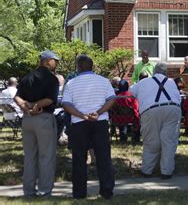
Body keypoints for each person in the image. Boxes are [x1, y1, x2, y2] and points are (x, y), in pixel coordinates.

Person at [62, 55, 116, 199]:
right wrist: (98, 112)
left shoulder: (71, 83)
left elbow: (66, 104)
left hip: (79, 124)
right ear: (92, 67)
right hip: (100, 122)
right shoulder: (104, 81)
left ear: (78, 67)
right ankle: (106, 191)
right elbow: (112, 99)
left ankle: (79, 193)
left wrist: (81, 115)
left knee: (79, 158)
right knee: (103, 158)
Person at [14, 50, 60, 197]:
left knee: (29, 156)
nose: (56, 63)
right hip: (44, 117)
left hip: (27, 120)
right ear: (47, 61)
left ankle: (28, 191)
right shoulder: (52, 79)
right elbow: (51, 99)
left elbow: (17, 97)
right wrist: (35, 106)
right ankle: (45, 191)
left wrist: (26, 107)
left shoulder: (27, 77)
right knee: (46, 156)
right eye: (55, 60)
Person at [131, 62, 181, 179]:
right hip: (173, 108)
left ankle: (147, 170)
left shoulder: (143, 82)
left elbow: (131, 92)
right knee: (169, 142)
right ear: (166, 73)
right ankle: (166, 172)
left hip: (151, 110)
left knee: (151, 141)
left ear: (153, 71)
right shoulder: (171, 82)